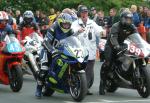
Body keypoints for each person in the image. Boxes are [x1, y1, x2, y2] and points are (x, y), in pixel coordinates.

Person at [35, 13, 74, 98]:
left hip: (61, 51)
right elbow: (46, 41)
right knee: (44, 68)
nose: (66, 26)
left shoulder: (71, 30)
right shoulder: (53, 27)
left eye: (68, 24)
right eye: (64, 24)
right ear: (60, 22)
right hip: (47, 50)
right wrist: (52, 50)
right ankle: (38, 89)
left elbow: (74, 41)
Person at [99, 10, 138, 95]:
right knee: (108, 62)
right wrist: (116, 46)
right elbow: (113, 38)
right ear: (122, 19)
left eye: (130, 19)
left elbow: (137, 36)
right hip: (111, 46)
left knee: (131, 57)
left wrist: (140, 44)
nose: (129, 21)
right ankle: (102, 83)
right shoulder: (115, 26)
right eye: (127, 19)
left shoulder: (132, 26)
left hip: (122, 45)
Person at [71, 5, 104, 95]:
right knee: (79, 69)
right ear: (79, 13)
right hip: (79, 51)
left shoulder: (91, 23)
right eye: (82, 12)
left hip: (91, 51)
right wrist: (78, 30)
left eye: (86, 12)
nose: (84, 14)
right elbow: (71, 32)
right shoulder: (75, 23)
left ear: (87, 13)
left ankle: (86, 88)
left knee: (89, 70)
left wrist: (102, 31)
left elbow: (98, 30)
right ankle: (76, 86)